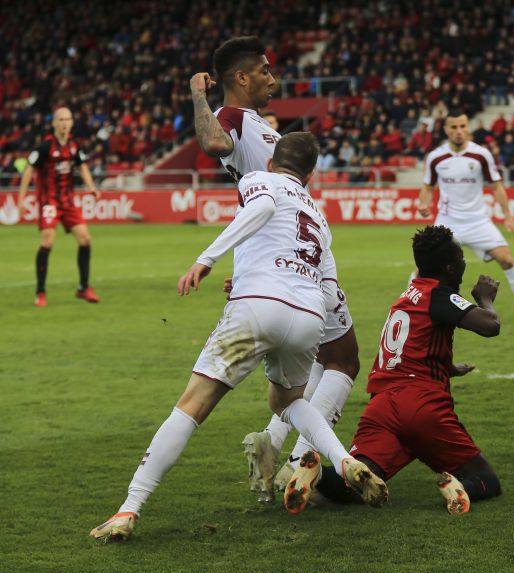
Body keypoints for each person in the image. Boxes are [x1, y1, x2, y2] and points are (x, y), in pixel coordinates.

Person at [89, 133, 388, 543]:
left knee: (193, 405)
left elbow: (263, 207)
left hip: (256, 308)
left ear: (270, 163)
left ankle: (129, 508)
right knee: (287, 402)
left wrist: (206, 258)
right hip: (308, 315)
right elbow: (326, 282)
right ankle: (342, 460)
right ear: (312, 173)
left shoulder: (256, 181)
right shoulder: (318, 215)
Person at [189, 36, 361, 503]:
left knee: (321, 365)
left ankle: (274, 444)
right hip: (292, 266)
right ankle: (300, 463)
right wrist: (197, 94)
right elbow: (210, 143)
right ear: (240, 77)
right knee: (343, 358)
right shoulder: (231, 119)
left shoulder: (261, 125)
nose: (274, 77)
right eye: (265, 70)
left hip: (284, 254)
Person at [284, 226, 503, 515]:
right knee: (486, 480)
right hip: (422, 405)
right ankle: (460, 487)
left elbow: (410, 347)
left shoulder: (408, 293)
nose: (464, 262)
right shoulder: (439, 295)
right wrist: (484, 297)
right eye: (461, 257)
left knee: (354, 484)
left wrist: (446, 368)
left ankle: (318, 476)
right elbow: (490, 325)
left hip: (383, 407)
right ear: (450, 266)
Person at [418, 111, 514, 324]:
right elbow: (428, 187)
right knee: (425, 268)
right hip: (448, 221)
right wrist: (423, 203)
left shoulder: (481, 154)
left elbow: (497, 186)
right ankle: (414, 308)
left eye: (463, 126)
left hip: (478, 221)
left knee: (507, 259)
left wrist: (508, 217)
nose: (459, 131)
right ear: (446, 130)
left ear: (468, 128)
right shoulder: (435, 157)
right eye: (454, 127)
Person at [18, 107, 102, 306]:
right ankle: (40, 292)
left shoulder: (74, 146)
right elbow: (29, 170)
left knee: (85, 239)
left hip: (68, 202)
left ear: (72, 122)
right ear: (54, 123)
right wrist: (21, 199)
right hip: (49, 202)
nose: (65, 123)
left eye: (68, 119)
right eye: (61, 119)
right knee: (47, 242)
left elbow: (82, 167)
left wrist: (91, 187)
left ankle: (83, 288)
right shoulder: (45, 147)